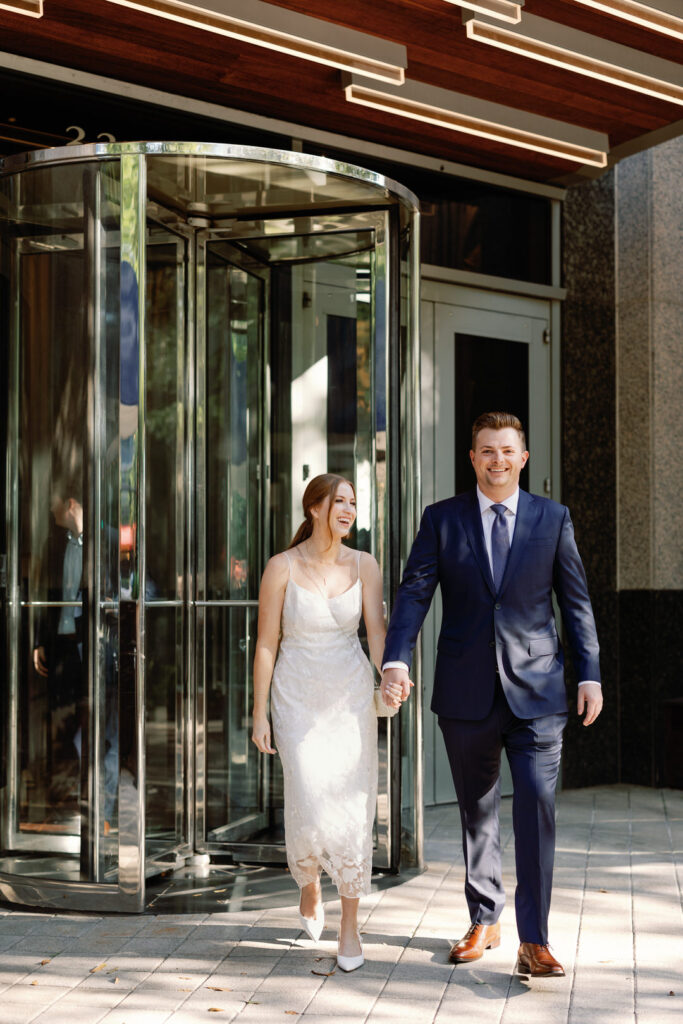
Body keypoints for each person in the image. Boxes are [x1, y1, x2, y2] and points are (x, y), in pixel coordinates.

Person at [381, 412, 603, 977]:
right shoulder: (441, 519)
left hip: (541, 692)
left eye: (507, 450)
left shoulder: (553, 519)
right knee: (478, 812)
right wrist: (396, 657)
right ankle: (485, 917)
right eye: (486, 451)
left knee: (536, 808)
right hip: (466, 688)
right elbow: (413, 592)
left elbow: (574, 602)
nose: (497, 460)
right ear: (472, 457)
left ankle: (535, 939)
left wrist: (589, 673)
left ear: (523, 458)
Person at [251, 473, 387, 972]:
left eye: (354, 501)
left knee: (352, 807)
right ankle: (309, 882)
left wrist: (390, 674)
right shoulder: (281, 566)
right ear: (314, 508)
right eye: (340, 501)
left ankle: (349, 926)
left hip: (349, 698)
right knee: (309, 796)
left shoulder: (365, 564)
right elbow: (267, 643)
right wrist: (258, 710)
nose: (349, 509)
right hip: (296, 698)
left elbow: (376, 633)